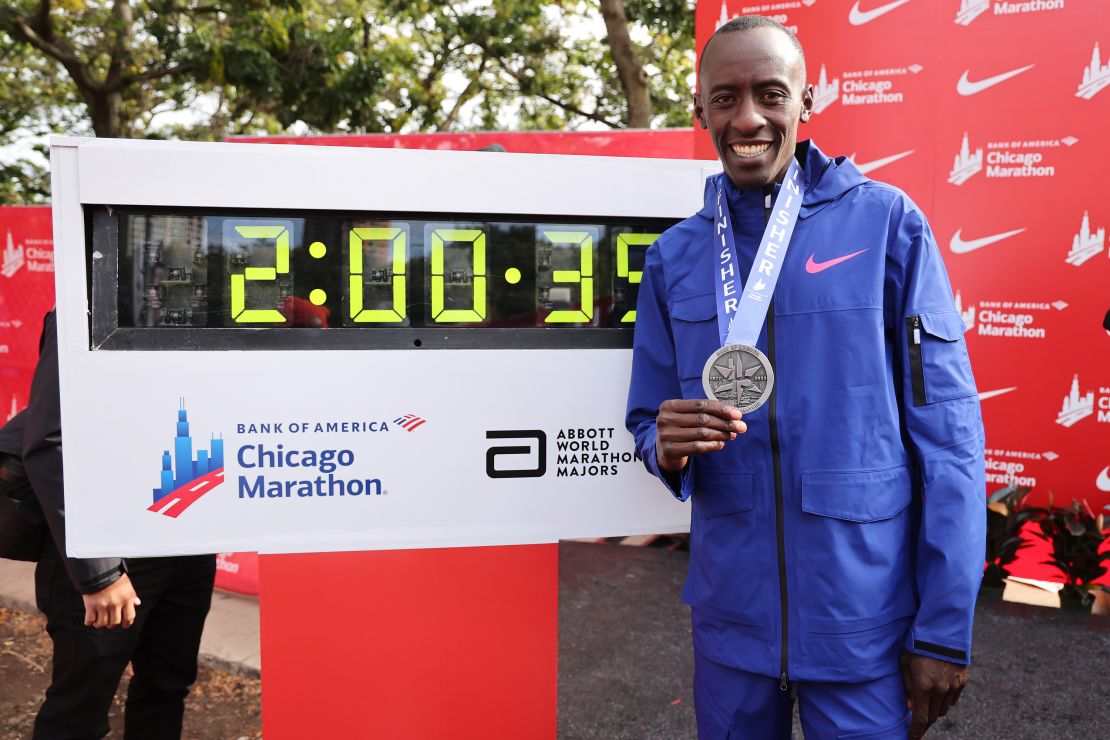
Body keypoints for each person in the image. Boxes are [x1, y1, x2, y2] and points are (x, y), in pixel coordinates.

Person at [625, 16, 985, 740]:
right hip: (732, 625)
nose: (748, 118)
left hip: (863, 624)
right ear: (701, 111)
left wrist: (942, 630)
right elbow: (644, 420)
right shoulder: (674, 258)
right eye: (725, 98)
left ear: (808, 100)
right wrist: (664, 446)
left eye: (770, 94)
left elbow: (949, 442)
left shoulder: (887, 226)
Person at [12, 310, 217, 739]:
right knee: (79, 712)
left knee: (166, 689)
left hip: (189, 541)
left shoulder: (202, 306)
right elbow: (50, 442)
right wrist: (99, 573)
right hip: (109, 550)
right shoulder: (84, 302)